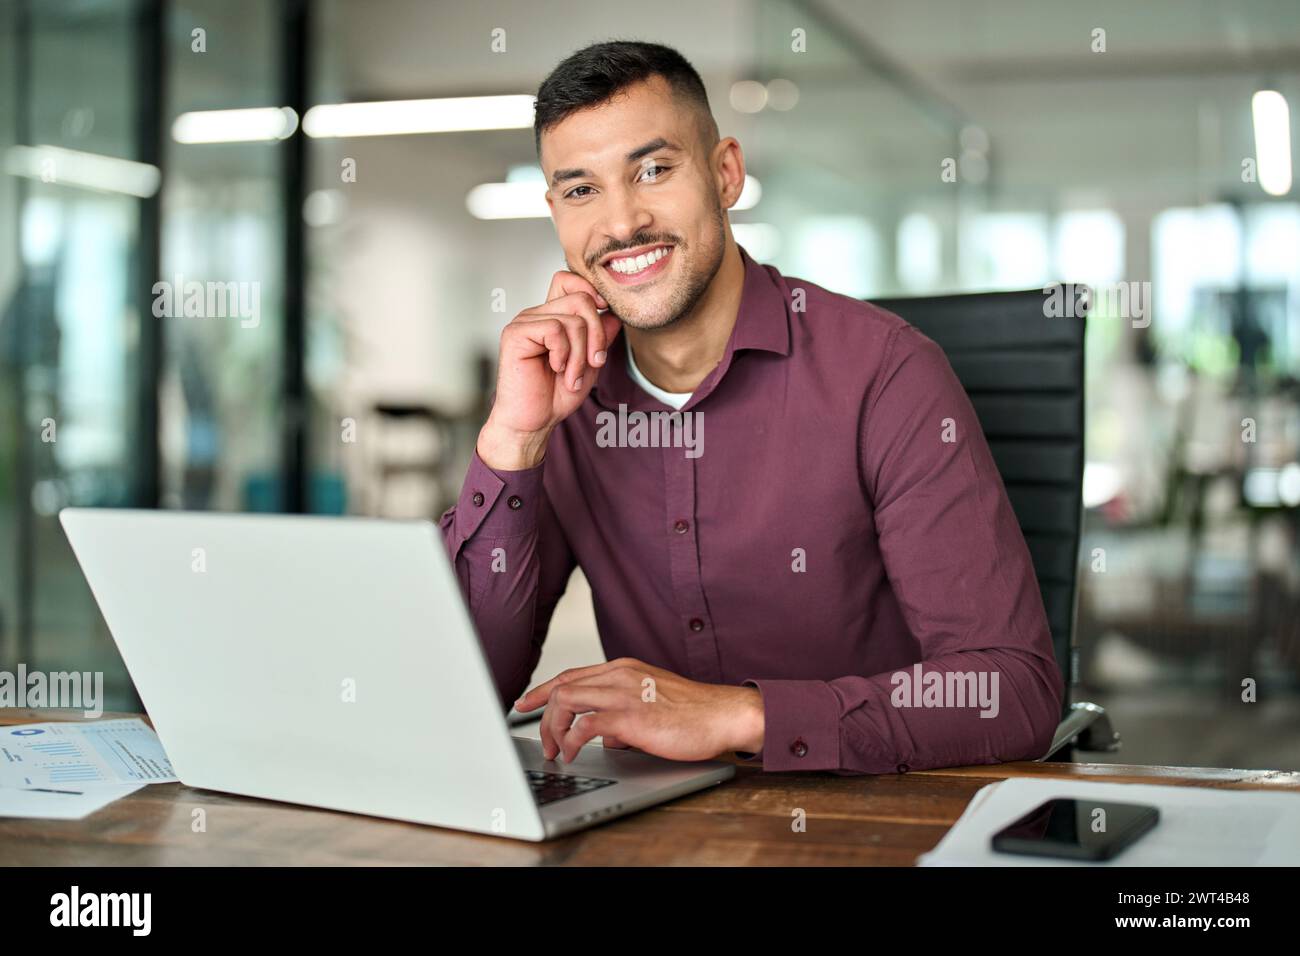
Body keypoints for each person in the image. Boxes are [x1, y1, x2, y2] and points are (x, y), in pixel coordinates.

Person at [438, 40, 1062, 775]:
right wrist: (514, 439)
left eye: (653, 170)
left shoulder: (886, 373)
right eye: (581, 191)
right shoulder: (566, 398)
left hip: (879, 817)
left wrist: (741, 715)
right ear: (555, 212)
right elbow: (462, 690)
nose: (622, 223)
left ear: (725, 173)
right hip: (664, 827)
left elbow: (1009, 691)